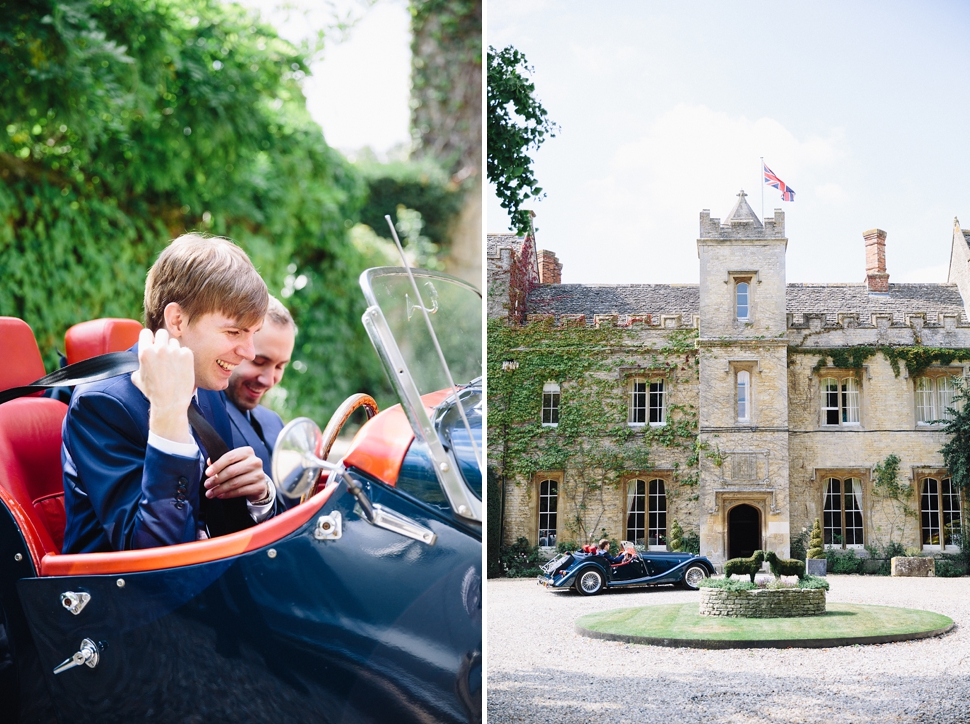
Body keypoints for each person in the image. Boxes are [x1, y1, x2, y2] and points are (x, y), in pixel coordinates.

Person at [62, 234, 279, 553]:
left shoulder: (207, 384)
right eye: (234, 332)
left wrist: (260, 498)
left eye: (252, 334)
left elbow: (220, 520)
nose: (248, 352)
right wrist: (169, 416)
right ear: (177, 320)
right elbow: (154, 555)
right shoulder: (101, 404)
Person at [222, 296, 295, 478]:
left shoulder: (273, 422)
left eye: (280, 366)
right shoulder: (199, 416)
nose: (269, 381)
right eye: (259, 362)